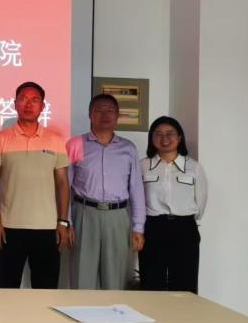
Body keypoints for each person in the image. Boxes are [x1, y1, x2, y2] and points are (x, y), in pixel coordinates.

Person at [0, 81, 72, 289]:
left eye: (35, 100)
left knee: (46, 289)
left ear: (42, 106)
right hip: (9, 227)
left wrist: (62, 223)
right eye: (23, 99)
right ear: (15, 104)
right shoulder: (0, 138)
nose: (28, 104)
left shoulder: (55, 140)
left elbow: (62, 184)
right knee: (8, 289)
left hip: (47, 228)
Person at [66, 93, 145, 289]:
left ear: (117, 115)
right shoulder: (75, 144)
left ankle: (113, 309)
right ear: (90, 115)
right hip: (84, 214)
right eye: (99, 110)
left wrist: (138, 227)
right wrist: (66, 222)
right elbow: (64, 186)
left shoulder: (128, 148)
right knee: (82, 275)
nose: (105, 114)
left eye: (110, 110)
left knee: (115, 277)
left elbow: (136, 189)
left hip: (118, 217)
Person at [139, 116, 207, 292]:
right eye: (159, 134)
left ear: (180, 138)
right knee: (152, 282)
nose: (164, 138)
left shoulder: (193, 167)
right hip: (153, 228)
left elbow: (201, 200)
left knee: (185, 284)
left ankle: (184, 312)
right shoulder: (143, 166)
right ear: (151, 138)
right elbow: (136, 199)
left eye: (170, 133)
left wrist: (187, 220)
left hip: (184, 228)